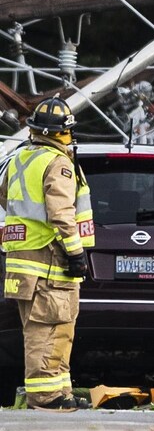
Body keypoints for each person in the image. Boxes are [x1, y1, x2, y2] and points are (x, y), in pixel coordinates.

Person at [0, 97, 95, 410]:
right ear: (62, 132)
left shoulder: (19, 159)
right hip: (49, 261)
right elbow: (61, 214)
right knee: (47, 328)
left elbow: (6, 198)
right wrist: (76, 253)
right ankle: (44, 397)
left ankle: (59, 393)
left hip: (22, 263)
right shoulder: (58, 162)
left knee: (56, 328)